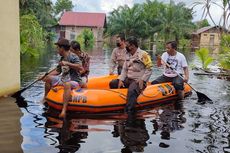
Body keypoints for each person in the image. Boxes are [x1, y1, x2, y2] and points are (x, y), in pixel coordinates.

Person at [109, 36, 153, 113]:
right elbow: (125, 69)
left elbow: (149, 68)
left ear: (132, 45)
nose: (125, 47)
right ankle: (117, 101)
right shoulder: (128, 54)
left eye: (127, 45)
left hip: (138, 80)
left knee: (132, 90)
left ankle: (129, 110)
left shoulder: (143, 54)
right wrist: (121, 79)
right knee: (113, 83)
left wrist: (143, 80)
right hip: (128, 79)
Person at [42, 38, 83, 118]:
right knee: (47, 78)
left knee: (67, 84)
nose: (57, 50)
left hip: (74, 81)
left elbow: (80, 67)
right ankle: (45, 99)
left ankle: (64, 110)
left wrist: (68, 63)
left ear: (62, 48)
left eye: (58, 48)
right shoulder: (61, 58)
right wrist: (45, 75)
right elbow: (57, 71)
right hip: (63, 79)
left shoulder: (73, 56)